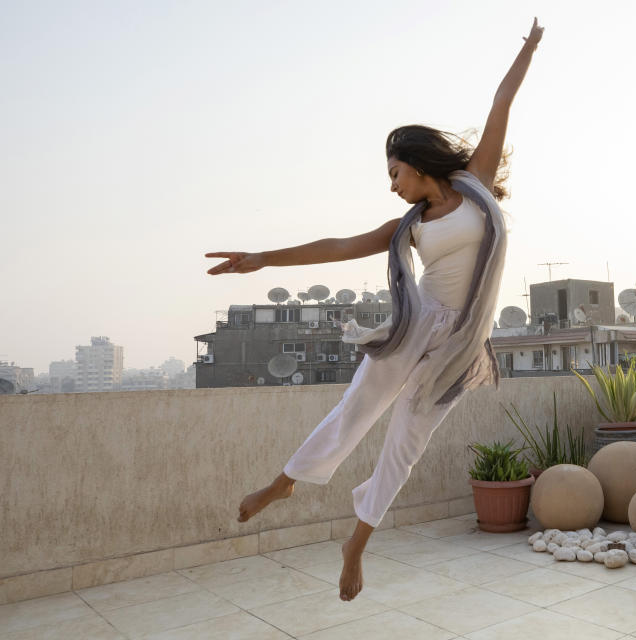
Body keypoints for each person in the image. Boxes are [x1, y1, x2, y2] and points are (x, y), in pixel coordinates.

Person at [205, 18, 543, 602]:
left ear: (415, 163)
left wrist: (529, 48)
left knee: (406, 445)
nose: (391, 186)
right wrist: (260, 258)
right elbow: (335, 246)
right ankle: (283, 483)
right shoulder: (407, 226)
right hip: (416, 327)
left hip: (460, 344)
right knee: (356, 409)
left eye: (393, 173)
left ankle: (357, 540)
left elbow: (501, 102)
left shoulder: (476, 184)